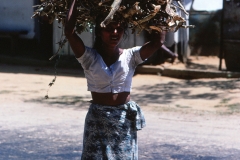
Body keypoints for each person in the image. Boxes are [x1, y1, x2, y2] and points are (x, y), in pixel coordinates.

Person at [64, 0, 166, 159]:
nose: (115, 33)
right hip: (97, 120)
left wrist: (157, 9)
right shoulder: (89, 58)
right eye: (109, 28)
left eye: (119, 29)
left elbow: (158, 42)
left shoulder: (131, 56)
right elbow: (69, 32)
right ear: (98, 31)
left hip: (122, 120)